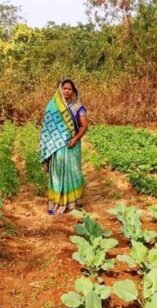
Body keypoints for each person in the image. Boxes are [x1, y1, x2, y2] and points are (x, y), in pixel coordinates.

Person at [38, 79, 90, 215]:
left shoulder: (77, 106)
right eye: (64, 88)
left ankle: (73, 204)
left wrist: (75, 138)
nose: (67, 91)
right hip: (57, 146)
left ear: (73, 91)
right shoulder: (52, 106)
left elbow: (84, 125)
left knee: (73, 173)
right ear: (60, 89)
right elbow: (47, 128)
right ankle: (58, 202)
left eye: (70, 89)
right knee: (58, 173)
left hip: (72, 145)